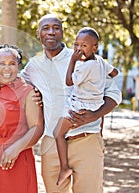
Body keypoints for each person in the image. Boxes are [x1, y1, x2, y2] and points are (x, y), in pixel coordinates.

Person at [21, 14, 122, 193]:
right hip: (51, 143)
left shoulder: (85, 58)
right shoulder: (33, 66)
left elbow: (114, 93)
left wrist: (95, 114)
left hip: (86, 140)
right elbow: (15, 84)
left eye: (56, 27)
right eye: (46, 28)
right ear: (38, 33)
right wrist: (32, 94)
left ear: (62, 32)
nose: (51, 32)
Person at [53, 27, 118, 186]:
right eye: (76, 45)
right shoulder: (101, 61)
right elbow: (115, 72)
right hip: (94, 104)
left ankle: (64, 168)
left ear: (94, 47)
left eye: (84, 46)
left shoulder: (84, 66)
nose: (78, 49)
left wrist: (73, 61)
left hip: (79, 107)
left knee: (58, 133)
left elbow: (69, 81)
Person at [0, 44, 44, 193]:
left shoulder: (28, 91)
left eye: (12, 64)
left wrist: (15, 149)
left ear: (19, 66)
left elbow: (37, 127)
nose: (7, 68)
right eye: (2, 63)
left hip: (12, 162)